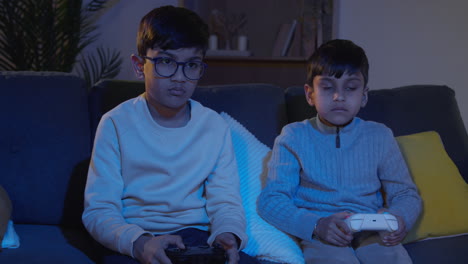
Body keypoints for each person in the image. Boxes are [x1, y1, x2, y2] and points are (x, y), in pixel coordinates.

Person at [82, 5, 259, 264]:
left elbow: (225, 201)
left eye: (191, 65)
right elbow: (99, 210)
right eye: (166, 62)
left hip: (194, 238)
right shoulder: (115, 124)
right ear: (139, 65)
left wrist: (227, 233)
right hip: (135, 236)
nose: (179, 77)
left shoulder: (214, 126)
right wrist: (140, 243)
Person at [257, 39, 422, 264]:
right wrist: (315, 225)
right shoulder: (293, 136)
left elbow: (405, 194)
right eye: (327, 88)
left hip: (372, 229)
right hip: (323, 231)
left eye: (351, 88)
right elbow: (272, 199)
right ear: (310, 94)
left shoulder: (380, 136)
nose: (338, 96)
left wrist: (400, 218)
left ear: (364, 95)